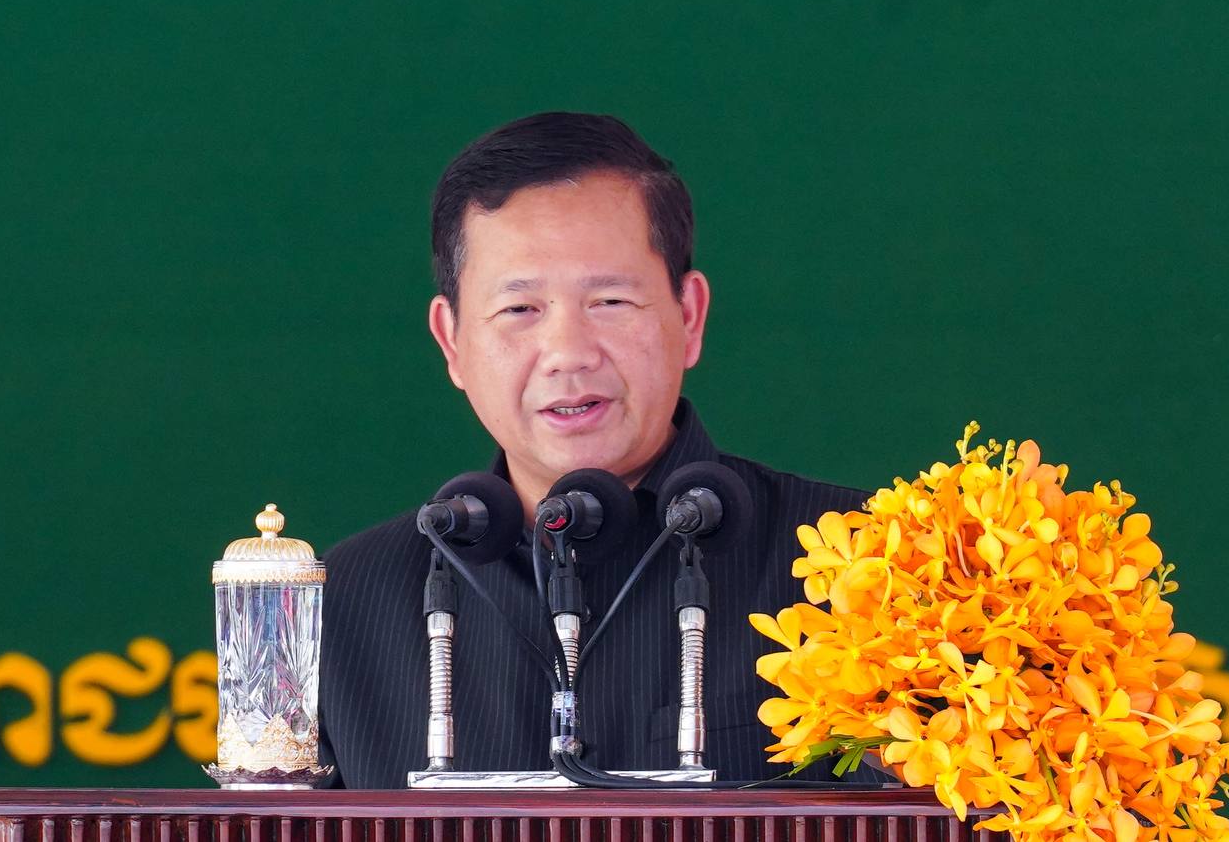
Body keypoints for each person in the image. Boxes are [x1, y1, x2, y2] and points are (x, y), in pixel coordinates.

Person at [318, 112, 882, 787]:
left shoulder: (868, 566)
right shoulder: (344, 601)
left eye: (611, 300)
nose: (568, 353)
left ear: (689, 317)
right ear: (452, 341)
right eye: (520, 310)